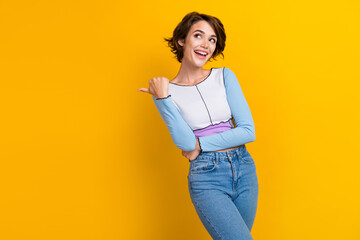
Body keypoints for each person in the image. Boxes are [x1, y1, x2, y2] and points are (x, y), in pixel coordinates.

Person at [138, 12, 259, 240]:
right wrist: (163, 99)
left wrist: (200, 144)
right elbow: (184, 143)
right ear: (181, 41)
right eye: (198, 36)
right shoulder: (166, 92)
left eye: (212, 40)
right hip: (207, 176)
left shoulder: (225, 76)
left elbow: (247, 131)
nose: (206, 44)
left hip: (244, 168)